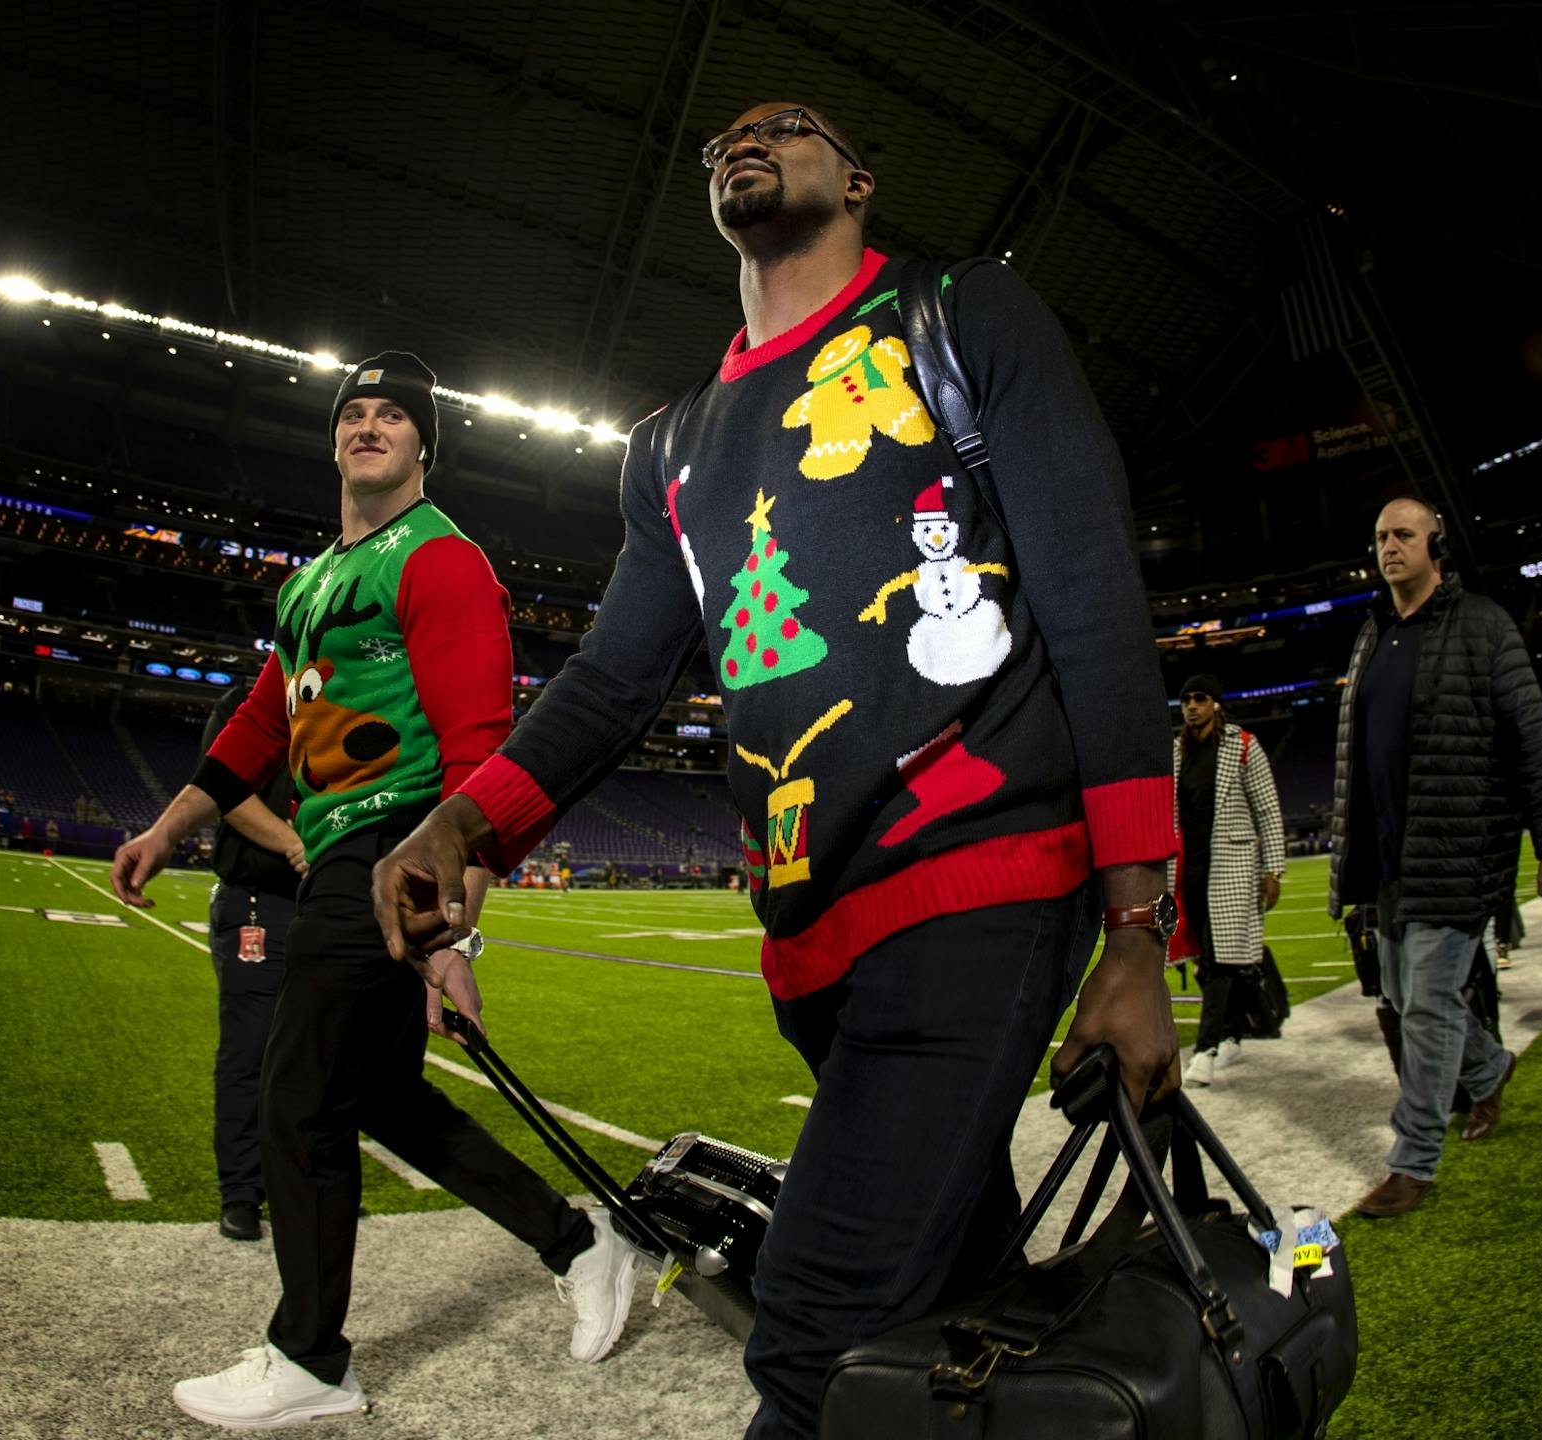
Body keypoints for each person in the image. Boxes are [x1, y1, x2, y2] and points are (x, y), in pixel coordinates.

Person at [371, 102, 1180, 1440]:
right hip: (812, 936)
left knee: (810, 1331)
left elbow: (1091, 593)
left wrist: (1139, 929)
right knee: (948, 1315)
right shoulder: (671, 444)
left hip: (978, 879)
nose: (747, 139)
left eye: (790, 126)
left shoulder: (959, 314)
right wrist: (466, 825)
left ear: (858, 179)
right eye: (723, 141)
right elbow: (613, 680)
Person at [110, 352, 636, 1430]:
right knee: (381, 1096)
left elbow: (480, 746)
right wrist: (169, 827)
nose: (370, 426)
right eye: (354, 412)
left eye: (394, 414)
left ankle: (309, 1356)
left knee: (296, 1092)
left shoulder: (440, 557)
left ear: (424, 443)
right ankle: (579, 1243)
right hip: (341, 847)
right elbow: (261, 726)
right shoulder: (310, 584)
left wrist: (456, 928)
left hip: (393, 842)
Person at [1329, 498, 1542, 1219]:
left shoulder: (1484, 625)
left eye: (1404, 534)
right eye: (1381, 537)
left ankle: (1413, 1162)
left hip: (1459, 847)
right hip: (1391, 855)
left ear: (1435, 545)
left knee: (1429, 1003)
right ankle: (1490, 1066)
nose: (1390, 546)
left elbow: (1532, 738)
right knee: (1405, 994)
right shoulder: (1374, 632)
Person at [198, 679, 307, 1243]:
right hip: (258, 902)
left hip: (322, 906)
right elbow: (224, 787)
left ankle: (304, 1180)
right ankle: (242, 1191)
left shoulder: (340, 700)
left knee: (312, 1056)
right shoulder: (245, 703)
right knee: (249, 1052)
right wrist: (294, 843)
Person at [1169, 674, 1287, 1087]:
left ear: (1216, 704)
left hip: (1232, 866)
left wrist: (1272, 869)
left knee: (1221, 959)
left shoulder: (1243, 745)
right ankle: (1233, 1031)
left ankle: (1206, 1049)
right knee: (1203, 959)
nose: (1192, 705)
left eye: (1200, 698)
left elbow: (1267, 809)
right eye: (1186, 699)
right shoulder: (1177, 751)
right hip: (1190, 870)